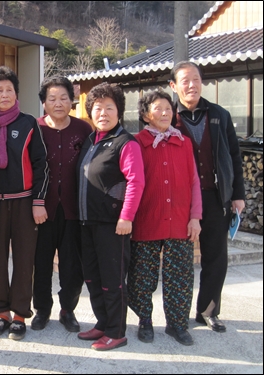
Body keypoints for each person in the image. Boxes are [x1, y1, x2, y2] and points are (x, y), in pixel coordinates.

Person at [170, 61, 245, 333]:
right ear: (173, 86)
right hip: (180, 200)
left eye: (196, 80)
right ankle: (177, 314)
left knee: (216, 257)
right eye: (185, 81)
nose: (191, 85)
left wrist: (237, 194)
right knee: (180, 260)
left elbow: (234, 156)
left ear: (202, 82)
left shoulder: (219, 115)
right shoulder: (168, 117)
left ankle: (208, 312)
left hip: (215, 197)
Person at [128, 90, 202, 346]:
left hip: (181, 221)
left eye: (168, 108)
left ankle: (177, 325)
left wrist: (195, 217)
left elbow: (194, 182)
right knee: (142, 277)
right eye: (158, 108)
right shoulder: (136, 142)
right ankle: (145, 321)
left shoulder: (184, 142)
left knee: (180, 278)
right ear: (146, 114)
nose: (165, 113)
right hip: (147, 220)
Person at [0, 66, 49, 341]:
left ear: (17, 93)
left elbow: (41, 165)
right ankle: (1, 313)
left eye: (10, 89)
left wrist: (38, 201)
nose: (5, 94)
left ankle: (20, 313)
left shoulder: (28, 123)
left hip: (23, 203)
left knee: (23, 259)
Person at [76, 82, 145, 351]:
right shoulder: (91, 141)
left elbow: (136, 181)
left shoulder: (125, 142)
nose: (102, 113)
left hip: (113, 224)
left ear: (119, 111)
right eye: (97, 108)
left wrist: (126, 217)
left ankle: (117, 331)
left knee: (112, 280)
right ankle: (102, 323)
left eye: (109, 107)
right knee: (93, 277)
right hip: (87, 222)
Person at [31, 75, 92, 332]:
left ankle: (68, 310)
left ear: (72, 100)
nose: (58, 103)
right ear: (44, 102)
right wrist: (35, 201)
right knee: (41, 263)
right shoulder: (33, 128)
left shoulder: (83, 129)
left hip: (73, 208)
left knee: (72, 264)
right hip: (41, 209)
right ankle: (42, 310)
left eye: (64, 98)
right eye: (52, 98)